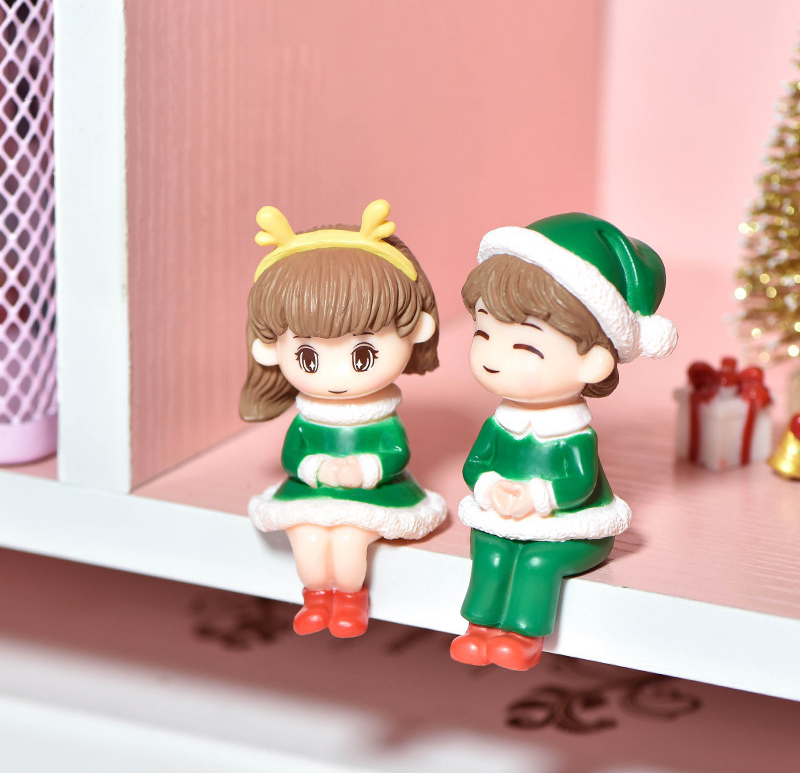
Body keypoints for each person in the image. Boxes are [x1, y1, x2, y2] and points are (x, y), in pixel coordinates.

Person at [451, 212, 677, 670]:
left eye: (526, 347)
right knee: (489, 551)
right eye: (483, 332)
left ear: (593, 363)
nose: (492, 357)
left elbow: (578, 483)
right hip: (505, 517)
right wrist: (491, 486)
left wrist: (535, 497)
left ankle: (523, 635)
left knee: (537, 563)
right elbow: (475, 465)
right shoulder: (501, 422)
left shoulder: (573, 434)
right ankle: (479, 628)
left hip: (571, 530)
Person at [240, 200, 445, 638]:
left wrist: (364, 469)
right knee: (308, 539)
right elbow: (293, 455)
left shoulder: (379, 416)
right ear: (271, 349)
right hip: (311, 490)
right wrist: (318, 468)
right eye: (309, 357)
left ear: (414, 328)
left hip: (374, 494)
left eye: (362, 355)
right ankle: (317, 598)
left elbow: (396, 451)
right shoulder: (310, 416)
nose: (336, 378)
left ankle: (350, 601)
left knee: (351, 540)